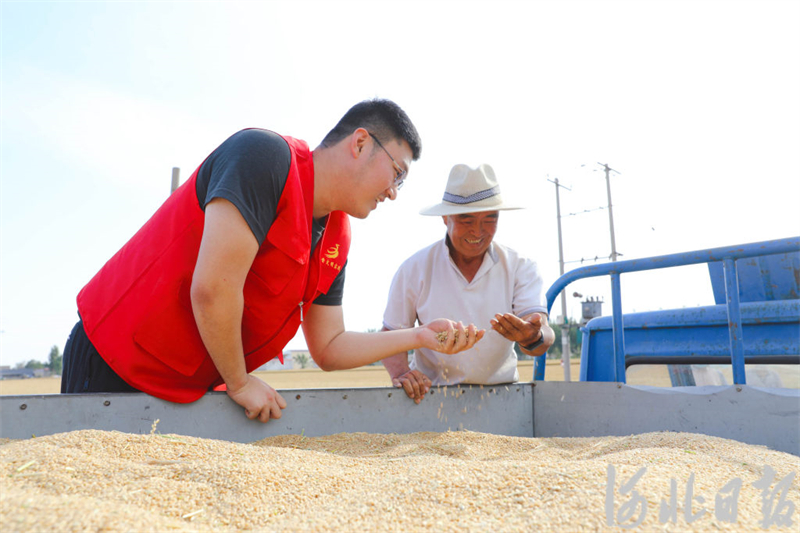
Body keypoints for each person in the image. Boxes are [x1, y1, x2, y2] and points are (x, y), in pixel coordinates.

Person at [61, 99, 485, 422]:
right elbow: (213, 289)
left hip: (187, 387)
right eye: (397, 173)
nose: (394, 191)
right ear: (359, 143)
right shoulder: (263, 158)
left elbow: (329, 347)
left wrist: (420, 337)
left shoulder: (337, 234)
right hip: (115, 361)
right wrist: (241, 382)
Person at [381, 163, 555, 403]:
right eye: (466, 219)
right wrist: (401, 373)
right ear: (445, 218)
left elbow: (541, 334)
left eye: (489, 219)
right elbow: (392, 333)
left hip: (502, 397)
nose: (478, 231)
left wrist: (531, 337)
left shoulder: (520, 267)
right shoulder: (415, 268)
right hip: (431, 397)